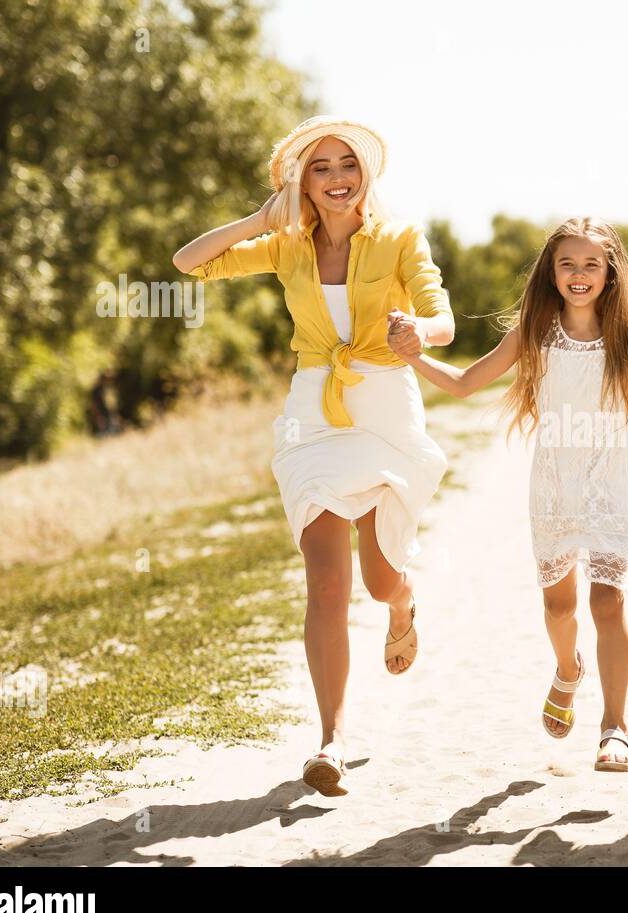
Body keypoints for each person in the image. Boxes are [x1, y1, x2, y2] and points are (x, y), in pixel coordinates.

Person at [392, 217, 628, 771]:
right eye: (568, 263)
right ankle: (567, 670)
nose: (579, 274)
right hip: (554, 484)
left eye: (591, 264)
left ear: (610, 272)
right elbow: (465, 383)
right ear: (551, 272)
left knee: (608, 600)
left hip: (610, 481)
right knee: (559, 606)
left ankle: (615, 727)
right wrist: (414, 355)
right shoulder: (536, 331)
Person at [172, 116, 454, 796]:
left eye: (346, 164)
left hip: (385, 406)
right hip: (313, 416)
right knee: (326, 583)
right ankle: (331, 738)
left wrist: (418, 331)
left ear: (366, 175)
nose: (336, 178)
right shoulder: (287, 246)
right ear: (302, 181)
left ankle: (402, 601)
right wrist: (260, 218)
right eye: (320, 167)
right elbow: (188, 262)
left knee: (380, 579)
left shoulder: (398, 239)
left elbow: (442, 318)